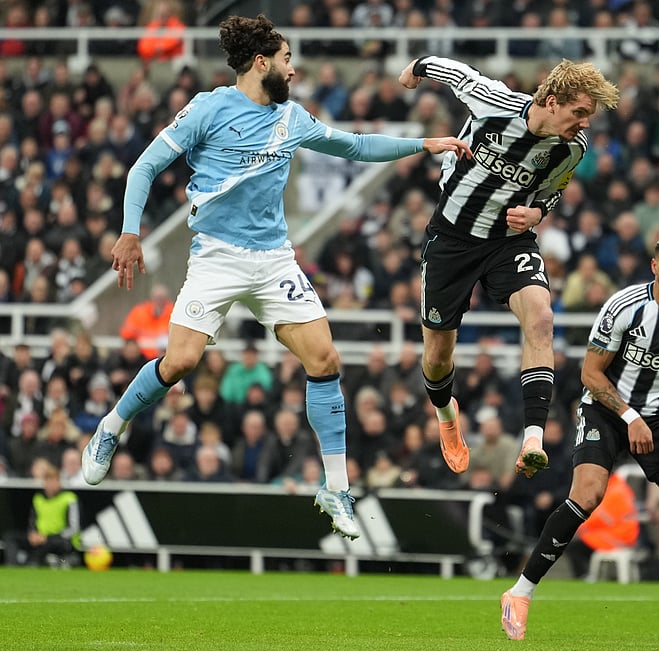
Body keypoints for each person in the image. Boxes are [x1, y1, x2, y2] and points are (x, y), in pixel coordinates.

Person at [79, 14, 470, 540]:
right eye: (287, 60)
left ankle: (336, 488)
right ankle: (111, 427)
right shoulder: (208, 108)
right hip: (216, 257)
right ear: (261, 63)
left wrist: (422, 144)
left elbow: (354, 146)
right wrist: (130, 232)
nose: (294, 69)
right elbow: (143, 168)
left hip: (273, 261)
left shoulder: (292, 117)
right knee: (180, 362)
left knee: (325, 359)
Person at [500, 235, 659, 647]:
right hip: (606, 409)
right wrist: (630, 417)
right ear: (654, 266)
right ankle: (520, 593)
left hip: (658, 418)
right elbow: (590, 374)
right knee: (588, 495)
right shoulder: (623, 306)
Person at [395, 55, 620, 481]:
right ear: (551, 101)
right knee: (437, 356)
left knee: (542, 317)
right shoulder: (493, 101)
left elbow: (552, 190)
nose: (585, 123)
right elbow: (451, 70)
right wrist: (414, 70)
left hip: (507, 242)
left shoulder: (572, 148)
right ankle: (446, 414)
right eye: (579, 112)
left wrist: (537, 214)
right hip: (452, 239)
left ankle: (533, 438)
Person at [4, 465, 79, 566]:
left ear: (59, 482)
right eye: (48, 481)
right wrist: (33, 534)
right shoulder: (38, 499)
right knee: (10, 537)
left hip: (60, 540)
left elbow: (73, 528)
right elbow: (32, 522)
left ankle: (32, 562)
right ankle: (12, 565)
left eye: (54, 481)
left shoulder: (69, 498)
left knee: (51, 543)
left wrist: (47, 537)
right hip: (40, 537)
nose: (51, 484)